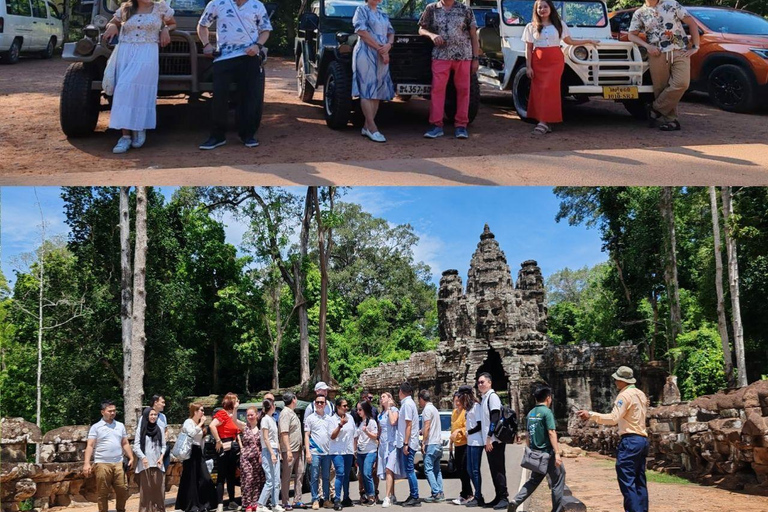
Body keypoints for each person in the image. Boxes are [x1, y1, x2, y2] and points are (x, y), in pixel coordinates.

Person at [100, 0, 176, 154]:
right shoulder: (126, 8)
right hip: (125, 52)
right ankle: (125, 136)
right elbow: (112, 22)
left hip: (147, 52)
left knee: (137, 90)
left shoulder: (160, 7)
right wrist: (113, 25)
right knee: (122, 91)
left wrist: (166, 29)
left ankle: (139, 126)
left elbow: (173, 23)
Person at [197, 0, 272, 150]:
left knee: (249, 96)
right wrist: (206, 44)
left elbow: (265, 30)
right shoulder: (217, 3)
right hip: (223, 58)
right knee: (219, 96)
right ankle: (217, 136)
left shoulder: (256, 5)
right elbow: (202, 25)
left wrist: (257, 46)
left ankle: (247, 135)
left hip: (249, 57)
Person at [577, 366, 649, 512]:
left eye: (617, 379)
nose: (615, 381)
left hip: (630, 440)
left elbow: (613, 418)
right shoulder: (640, 394)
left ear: (623, 381)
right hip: (642, 440)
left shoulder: (624, 395)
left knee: (627, 480)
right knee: (639, 479)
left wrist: (591, 414)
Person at [522, 0, 599, 135]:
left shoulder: (559, 24)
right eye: (540, 7)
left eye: (545, 6)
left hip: (555, 61)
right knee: (539, 90)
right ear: (536, 10)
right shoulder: (531, 26)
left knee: (549, 89)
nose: (542, 9)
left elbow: (570, 41)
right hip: (538, 60)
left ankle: (544, 122)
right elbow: (528, 48)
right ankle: (545, 120)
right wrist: (529, 67)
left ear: (551, 8)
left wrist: (587, 41)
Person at [628, 0, 700, 131]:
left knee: (682, 83)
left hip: (680, 50)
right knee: (661, 88)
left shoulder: (671, 4)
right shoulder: (640, 13)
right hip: (657, 53)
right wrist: (647, 46)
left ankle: (655, 108)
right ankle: (671, 121)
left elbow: (692, 23)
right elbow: (631, 35)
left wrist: (696, 46)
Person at [418, 0, 480, 140]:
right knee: (437, 90)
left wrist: (475, 58)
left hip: (463, 55)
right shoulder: (431, 8)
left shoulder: (465, 9)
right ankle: (436, 125)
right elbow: (421, 28)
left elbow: (473, 35)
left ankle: (461, 126)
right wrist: (432, 35)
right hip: (440, 55)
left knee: (464, 90)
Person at [508, 386, 565, 512]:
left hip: (535, 453)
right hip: (547, 454)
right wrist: (557, 453)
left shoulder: (531, 413)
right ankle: (557, 509)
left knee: (533, 481)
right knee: (558, 480)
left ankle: (516, 500)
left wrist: (529, 450)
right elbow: (551, 432)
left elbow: (528, 435)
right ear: (548, 398)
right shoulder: (546, 412)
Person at [352, 0, 395, 143]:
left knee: (377, 90)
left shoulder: (383, 13)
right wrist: (379, 49)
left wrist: (388, 46)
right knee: (366, 88)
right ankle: (372, 127)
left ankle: (366, 126)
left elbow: (391, 32)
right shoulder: (361, 10)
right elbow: (361, 31)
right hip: (366, 53)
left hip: (382, 53)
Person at [83, 400, 135, 512]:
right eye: (110, 411)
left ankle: (121, 509)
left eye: (114, 411)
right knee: (103, 492)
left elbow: (125, 443)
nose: (112, 413)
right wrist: (86, 463)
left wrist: (131, 457)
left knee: (123, 489)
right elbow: (90, 445)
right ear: (103, 412)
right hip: (102, 463)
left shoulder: (120, 426)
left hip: (118, 462)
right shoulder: (96, 427)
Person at [175, 403, 218, 512]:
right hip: (190, 452)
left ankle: (205, 503)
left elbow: (202, 440)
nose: (203, 413)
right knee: (191, 479)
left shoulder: (201, 424)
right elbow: (191, 434)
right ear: (195, 412)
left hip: (199, 452)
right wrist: (201, 423)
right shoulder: (188, 422)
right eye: (201, 410)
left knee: (205, 478)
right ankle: (192, 505)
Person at [210, 392, 246, 512]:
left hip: (233, 446)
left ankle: (231, 501)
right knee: (221, 476)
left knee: (231, 475)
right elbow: (212, 425)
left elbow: (238, 431)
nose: (238, 402)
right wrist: (218, 440)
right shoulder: (222, 414)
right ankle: (220, 503)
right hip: (223, 445)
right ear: (231, 401)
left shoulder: (234, 416)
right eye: (236, 400)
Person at [477, 373, 508, 510]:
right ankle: (498, 496)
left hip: (494, 440)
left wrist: (489, 437)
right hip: (488, 441)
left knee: (499, 468)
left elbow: (495, 419)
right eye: (478, 382)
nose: (480, 384)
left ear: (489, 383)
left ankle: (504, 497)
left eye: (482, 382)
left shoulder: (492, 397)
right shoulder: (484, 398)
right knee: (493, 469)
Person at [305, 382, 335, 503]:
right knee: (314, 476)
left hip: (327, 451)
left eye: (322, 403)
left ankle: (327, 498)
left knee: (327, 476)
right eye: (318, 402)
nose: (320, 404)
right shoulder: (310, 414)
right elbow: (306, 433)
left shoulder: (329, 415)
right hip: (315, 450)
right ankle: (315, 499)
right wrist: (307, 451)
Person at [133, 407, 167, 512]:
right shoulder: (141, 429)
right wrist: (143, 457)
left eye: (155, 415)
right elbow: (136, 446)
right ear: (146, 416)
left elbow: (164, 446)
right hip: (145, 465)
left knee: (159, 492)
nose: (153, 417)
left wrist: (161, 457)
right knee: (146, 493)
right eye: (151, 415)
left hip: (157, 464)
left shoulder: (159, 429)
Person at [279, 392, 305, 510]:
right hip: (290, 449)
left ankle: (297, 499)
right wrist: (288, 450)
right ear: (294, 399)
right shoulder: (285, 413)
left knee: (300, 473)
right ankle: (285, 501)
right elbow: (284, 433)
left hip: (298, 448)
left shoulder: (292, 412)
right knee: (287, 476)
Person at [329, 398, 356, 510]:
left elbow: (354, 434)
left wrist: (354, 450)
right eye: (344, 406)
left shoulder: (350, 418)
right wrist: (340, 425)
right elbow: (332, 436)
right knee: (340, 473)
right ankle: (337, 499)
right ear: (338, 407)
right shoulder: (332, 420)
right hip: (337, 451)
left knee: (346, 475)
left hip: (348, 451)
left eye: (346, 406)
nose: (346, 408)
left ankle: (346, 497)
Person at [396, 382, 420, 507]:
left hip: (409, 443)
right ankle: (413, 494)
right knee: (409, 469)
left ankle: (415, 496)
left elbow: (408, 425)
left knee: (410, 470)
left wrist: (406, 443)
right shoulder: (409, 403)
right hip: (410, 442)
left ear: (401, 391)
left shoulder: (407, 405)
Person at [418, 389, 444, 503]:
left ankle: (436, 492)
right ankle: (440, 491)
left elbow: (427, 426)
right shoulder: (434, 409)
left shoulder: (426, 410)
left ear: (421, 399)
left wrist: (423, 442)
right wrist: (421, 431)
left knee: (428, 469)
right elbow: (428, 426)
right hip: (438, 443)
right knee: (437, 470)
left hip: (431, 443)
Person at [377, 392, 401, 508]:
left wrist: (390, 408)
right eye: (381, 397)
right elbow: (380, 429)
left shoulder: (394, 410)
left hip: (392, 444)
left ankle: (386, 497)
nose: (381, 399)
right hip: (383, 444)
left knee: (388, 469)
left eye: (384, 397)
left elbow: (393, 422)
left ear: (389, 399)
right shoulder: (380, 414)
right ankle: (392, 494)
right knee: (388, 471)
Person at [259, 399, 283, 512]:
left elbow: (275, 438)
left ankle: (275, 503)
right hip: (268, 450)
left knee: (276, 479)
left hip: (274, 450)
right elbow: (265, 438)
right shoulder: (265, 420)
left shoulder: (273, 419)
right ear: (272, 406)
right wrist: (272, 453)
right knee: (270, 479)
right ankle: (260, 504)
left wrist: (277, 450)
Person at [241, 406, 267, 512]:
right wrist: (235, 408)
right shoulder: (244, 427)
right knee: (248, 479)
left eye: (252, 415)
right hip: (246, 458)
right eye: (248, 415)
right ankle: (247, 504)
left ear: (256, 415)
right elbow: (234, 420)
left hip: (258, 458)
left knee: (257, 481)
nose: (250, 417)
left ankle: (255, 503)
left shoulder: (261, 428)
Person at [462, 386, 484, 507]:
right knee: (469, 469)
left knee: (475, 470)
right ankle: (477, 494)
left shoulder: (476, 406)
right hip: (470, 442)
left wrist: (469, 432)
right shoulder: (469, 408)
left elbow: (479, 425)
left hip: (476, 442)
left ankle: (479, 496)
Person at [449, 391, 472, 505]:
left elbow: (466, 428)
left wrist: (459, 431)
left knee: (464, 470)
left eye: (459, 401)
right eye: (455, 400)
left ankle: (466, 494)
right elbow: (453, 428)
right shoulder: (454, 413)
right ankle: (467, 493)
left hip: (465, 444)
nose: (457, 403)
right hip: (456, 444)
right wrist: (450, 443)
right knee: (459, 470)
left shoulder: (465, 412)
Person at [355, 401, 379, 506]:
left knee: (367, 473)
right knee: (362, 475)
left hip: (370, 451)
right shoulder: (361, 422)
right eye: (357, 410)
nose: (358, 411)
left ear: (365, 410)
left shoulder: (372, 422)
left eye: (360, 409)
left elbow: (375, 436)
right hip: (360, 452)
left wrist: (366, 431)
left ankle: (372, 496)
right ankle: (366, 495)